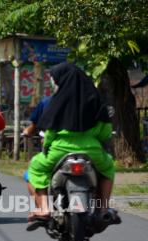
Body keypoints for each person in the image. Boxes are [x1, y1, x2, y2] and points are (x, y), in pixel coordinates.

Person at [26, 62, 120, 231]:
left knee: (35, 169)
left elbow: (50, 133)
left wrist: (47, 147)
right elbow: (105, 132)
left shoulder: (56, 102)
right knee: (108, 169)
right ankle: (102, 209)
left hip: (59, 151)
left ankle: (44, 208)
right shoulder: (96, 100)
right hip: (92, 152)